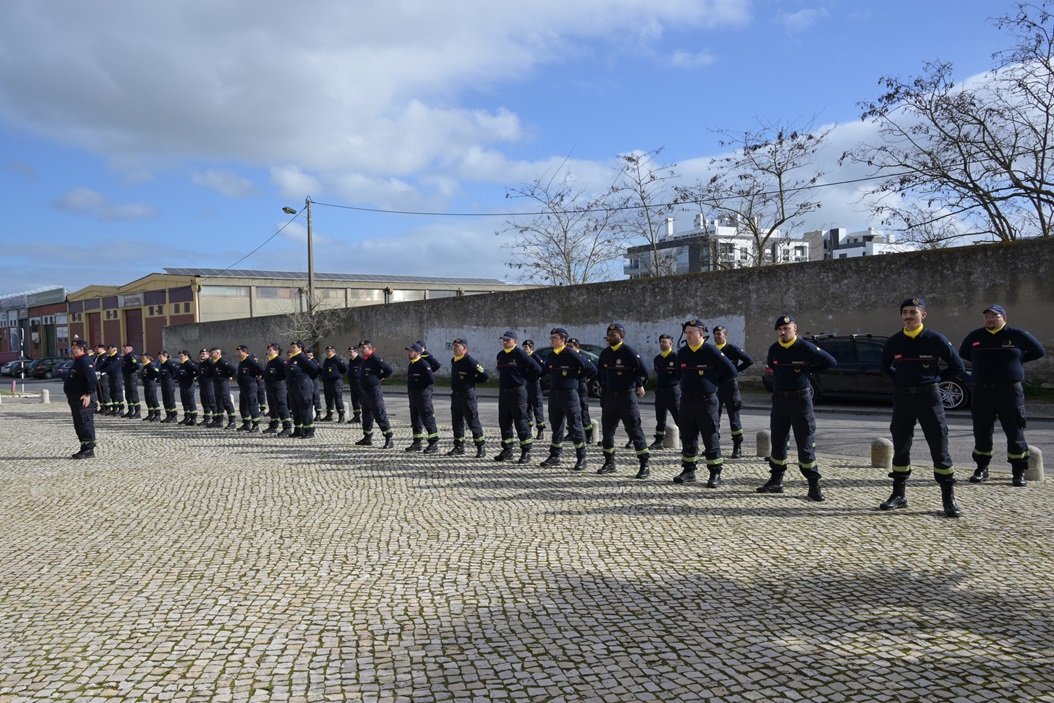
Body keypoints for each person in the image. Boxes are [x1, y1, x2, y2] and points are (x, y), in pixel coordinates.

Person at [877, 298, 967, 517]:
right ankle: (899, 495)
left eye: (913, 312)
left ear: (923, 315)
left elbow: (957, 366)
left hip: (929, 397)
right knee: (901, 445)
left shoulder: (935, 339)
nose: (909, 316)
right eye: (905, 312)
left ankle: (948, 499)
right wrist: (899, 380)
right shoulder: (895, 341)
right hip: (903, 398)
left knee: (939, 446)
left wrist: (934, 379)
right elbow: (884, 366)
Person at [959, 304, 1046, 486]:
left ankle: (1018, 471)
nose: (990, 319)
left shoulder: (1017, 335)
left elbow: (1039, 351)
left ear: (1004, 319)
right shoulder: (975, 337)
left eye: (995, 316)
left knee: (1014, 431)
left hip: (1009, 391)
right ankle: (982, 468)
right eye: (987, 317)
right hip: (982, 391)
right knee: (981, 431)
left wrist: (1018, 360)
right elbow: (964, 353)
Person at [756, 314, 837, 501]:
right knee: (778, 441)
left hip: (801, 400)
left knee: (805, 443)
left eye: (787, 328)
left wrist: (808, 370)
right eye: (780, 329)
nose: (783, 332)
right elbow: (772, 366)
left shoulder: (805, 347)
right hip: (779, 401)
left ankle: (813, 485)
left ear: (795, 328)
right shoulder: (775, 349)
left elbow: (830, 362)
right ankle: (776, 481)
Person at [671, 319, 738, 488]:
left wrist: (714, 383)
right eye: (686, 333)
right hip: (686, 401)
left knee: (710, 436)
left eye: (691, 333)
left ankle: (715, 472)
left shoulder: (710, 351)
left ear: (701, 334)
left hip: (706, 401)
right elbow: (680, 373)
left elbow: (732, 371)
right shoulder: (682, 353)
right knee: (688, 436)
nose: (687, 336)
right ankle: (688, 470)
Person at [596, 323, 650, 478]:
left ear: (622, 336)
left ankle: (644, 464)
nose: (610, 337)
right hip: (610, 398)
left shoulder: (629, 352)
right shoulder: (605, 353)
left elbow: (643, 373)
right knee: (607, 432)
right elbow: (601, 372)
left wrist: (638, 386)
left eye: (614, 335)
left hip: (627, 397)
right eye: (609, 335)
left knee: (634, 430)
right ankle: (609, 463)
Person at [539, 328, 596, 471]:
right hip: (554, 395)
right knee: (556, 427)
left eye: (554, 338)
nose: (551, 340)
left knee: (576, 426)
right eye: (551, 337)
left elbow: (591, 368)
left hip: (569, 395)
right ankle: (555, 456)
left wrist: (578, 378)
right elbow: (544, 371)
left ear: (562, 340)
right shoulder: (552, 355)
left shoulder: (570, 353)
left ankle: (581, 458)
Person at [493, 330, 541, 463]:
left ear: (515, 342)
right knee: (504, 422)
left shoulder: (520, 353)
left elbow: (537, 368)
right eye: (503, 340)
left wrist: (524, 380)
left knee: (521, 421)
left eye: (508, 340)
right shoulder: (500, 355)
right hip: (504, 392)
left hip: (518, 392)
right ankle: (507, 450)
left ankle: (526, 451)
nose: (505, 342)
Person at [712, 325, 753, 458]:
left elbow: (749, 361)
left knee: (734, 419)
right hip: (716, 387)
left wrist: (736, 371)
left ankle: (737, 447)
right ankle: (714, 446)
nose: (717, 336)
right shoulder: (711, 350)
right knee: (713, 418)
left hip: (730, 387)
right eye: (715, 334)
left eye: (719, 334)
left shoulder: (733, 349)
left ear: (725, 335)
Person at [447, 336, 489, 457]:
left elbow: (484, 375)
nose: (455, 349)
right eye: (454, 346)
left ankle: (480, 446)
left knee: (472, 421)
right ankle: (459, 446)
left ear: (465, 348)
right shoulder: (454, 360)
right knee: (457, 422)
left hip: (467, 395)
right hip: (455, 395)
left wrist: (473, 382)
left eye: (457, 347)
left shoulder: (470, 361)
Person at [354, 339, 395, 448]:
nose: (362, 350)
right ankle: (367, 437)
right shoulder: (364, 360)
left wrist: (380, 377)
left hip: (374, 392)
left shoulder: (375, 359)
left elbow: (389, 370)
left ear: (370, 348)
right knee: (366, 416)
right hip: (365, 393)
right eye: (360, 348)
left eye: (364, 348)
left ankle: (389, 437)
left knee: (380, 415)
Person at [404, 342, 440, 453]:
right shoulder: (412, 364)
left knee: (427, 418)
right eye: (409, 351)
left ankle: (433, 442)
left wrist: (421, 387)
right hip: (413, 395)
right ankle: (417, 442)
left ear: (418, 353)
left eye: (411, 351)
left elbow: (431, 380)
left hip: (423, 395)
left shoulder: (424, 364)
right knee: (415, 419)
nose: (409, 354)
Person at [65, 339, 98, 459]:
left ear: (81, 349)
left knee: (85, 422)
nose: (72, 349)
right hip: (75, 397)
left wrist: (88, 394)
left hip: (83, 397)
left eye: (75, 348)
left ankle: (89, 449)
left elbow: (92, 379)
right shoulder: (77, 361)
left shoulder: (85, 360)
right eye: (72, 347)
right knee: (79, 424)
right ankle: (84, 447)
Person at [651, 333, 681, 450]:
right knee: (660, 417)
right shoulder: (657, 359)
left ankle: (687, 442)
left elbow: (681, 374)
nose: (662, 344)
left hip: (672, 392)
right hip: (660, 392)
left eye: (665, 342)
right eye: (661, 342)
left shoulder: (676, 358)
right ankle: (659, 440)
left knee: (678, 417)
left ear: (671, 344)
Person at [286, 340, 320, 438]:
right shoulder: (293, 358)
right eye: (291, 347)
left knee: (305, 409)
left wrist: (306, 378)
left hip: (302, 386)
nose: (292, 349)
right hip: (293, 386)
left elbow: (314, 368)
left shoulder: (302, 357)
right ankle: (298, 430)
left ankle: (309, 431)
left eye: (294, 347)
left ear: (300, 348)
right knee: (295, 409)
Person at [568, 338, 597, 445]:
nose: (569, 348)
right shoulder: (568, 357)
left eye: (571, 346)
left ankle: (588, 433)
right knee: (571, 409)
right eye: (568, 346)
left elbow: (592, 369)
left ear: (577, 346)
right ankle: (571, 433)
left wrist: (585, 377)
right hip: (572, 386)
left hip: (581, 385)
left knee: (583, 409)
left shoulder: (582, 357)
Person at [263, 342, 293, 436]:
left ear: (277, 351)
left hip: (278, 386)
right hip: (270, 386)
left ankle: (287, 427)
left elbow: (288, 370)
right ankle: (273, 426)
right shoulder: (271, 361)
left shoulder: (279, 360)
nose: (268, 351)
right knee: (272, 407)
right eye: (268, 350)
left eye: (270, 350)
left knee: (281, 406)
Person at [235, 345, 266, 432]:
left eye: (239, 352)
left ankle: (256, 425)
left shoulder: (250, 361)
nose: (237, 354)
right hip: (243, 387)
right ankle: (246, 423)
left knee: (252, 405)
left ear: (245, 352)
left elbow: (262, 370)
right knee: (243, 407)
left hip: (250, 386)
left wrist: (260, 376)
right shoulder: (242, 361)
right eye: (237, 352)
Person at [522, 339, 546, 440]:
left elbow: (543, 369)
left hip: (534, 384)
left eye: (526, 348)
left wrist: (537, 377)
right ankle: (528, 427)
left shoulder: (535, 357)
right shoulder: (523, 357)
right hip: (525, 385)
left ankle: (540, 430)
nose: (524, 349)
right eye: (523, 348)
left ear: (531, 348)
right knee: (526, 407)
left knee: (537, 406)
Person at [210, 348, 238, 429]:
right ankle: (219, 421)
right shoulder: (215, 363)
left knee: (226, 402)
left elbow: (232, 369)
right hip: (217, 384)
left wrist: (228, 376)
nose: (211, 355)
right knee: (219, 403)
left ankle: (232, 422)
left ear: (218, 353)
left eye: (213, 353)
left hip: (223, 384)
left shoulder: (222, 362)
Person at [320, 345, 349, 422]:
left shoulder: (336, 359)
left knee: (337, 398)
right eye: (327, 351)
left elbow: (345, 368)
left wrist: (338, 375)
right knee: (328, 399)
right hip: (327, 382)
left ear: (333, 351)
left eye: (329, 351)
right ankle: (329, 415)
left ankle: (341, 415)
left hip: (336, 382)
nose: (327, 352)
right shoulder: (327, 360)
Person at [175, 350, 199, 425]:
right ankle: (187, 417)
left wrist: (193, 377)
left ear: (187, 355)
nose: (180, 357)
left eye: (181, 355)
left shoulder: (189, 363)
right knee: (184, 402)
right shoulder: (183, 364)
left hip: (189, 385)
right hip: (182, 385)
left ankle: (193, 419)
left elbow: (197, 370)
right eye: (179, 356)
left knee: (190, 401)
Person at [157, 350, 180, 423]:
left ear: (165, 356)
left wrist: (174, 378)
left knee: (170, 399)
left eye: (161, 356)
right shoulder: (162, 364)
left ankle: (174, 416)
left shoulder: (169, 363)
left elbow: (176, 370)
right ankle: (168, 415)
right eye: (159, 356)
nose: (160, 358)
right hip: (163, 383)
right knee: (165, 399)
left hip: (169, 382)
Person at [121, 343, 143, 418]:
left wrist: (130, 370)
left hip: (132, 377)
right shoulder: (125, 356)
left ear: (130, 349)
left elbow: (137, 366)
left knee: (133, 394)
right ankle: (130, 410)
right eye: (124, 348)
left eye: (126, 348)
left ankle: (137, 411)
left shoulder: (131, 356)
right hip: (127, 377)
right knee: (128, 394)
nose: (124, 349)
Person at [197, 348, 217, 426]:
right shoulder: (201, 363)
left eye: (204, 354)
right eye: (201, 354)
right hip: (202, 384)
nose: (202, 355)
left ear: (208, 355)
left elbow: (215, 370)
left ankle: (216, 419)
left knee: (211, 401)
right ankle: (206, 418)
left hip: (209, 384)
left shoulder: (210, 362)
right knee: (204, 401)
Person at [104, 344, 124, 416]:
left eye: (110, 349)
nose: (108, 351)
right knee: (112, 392)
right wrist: (98, 370)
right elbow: (104, 365)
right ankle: (115, 408)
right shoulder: (109, 357)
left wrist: (103, 371)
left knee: (118, 392)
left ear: (114, 349)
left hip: (117, 376)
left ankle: (121, 409)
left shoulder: (118, 357)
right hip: (111, 376)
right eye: (108, 350)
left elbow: (112, 366)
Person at [140, 352, 161, 422]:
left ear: (148, 358)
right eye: (142, 358)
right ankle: (151, 414)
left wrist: (155, 378)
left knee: (153, 399)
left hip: (151, 384)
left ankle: (157, 415)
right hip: (146, 385)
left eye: (143, 358)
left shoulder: (151, 365)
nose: (142, 359)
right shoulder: (145, 366)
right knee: (148, 400)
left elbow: (158, 373)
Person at [345, 345, 363, 424]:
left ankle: (368, 416)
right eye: (349, 352)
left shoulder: (360, 359)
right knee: (354, 401)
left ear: (356, 352)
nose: (349, 353)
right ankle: (356, 416)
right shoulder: (351, 361)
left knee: (363, 400)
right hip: (352, 383)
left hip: (359, 383)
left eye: (351, 352)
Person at [306, 351, 324, 418]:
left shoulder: (314, 361)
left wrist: (316, 375)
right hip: (308, 380)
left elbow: (320, 369)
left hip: (314, 380)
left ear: (311, 355)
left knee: (315, 396)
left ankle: (318, 414)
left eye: (308, 356)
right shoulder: (307, 362)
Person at [93, 343, 110, 414]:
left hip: (102, 375)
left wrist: (97, 370)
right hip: (97, 375)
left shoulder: (104, 356)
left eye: (98, 348)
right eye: (96, 349)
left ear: (103, 349)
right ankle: (102, 407)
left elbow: (100, 366)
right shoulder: (98, 356)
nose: (97, 350)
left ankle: (107, 407)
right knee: (99, 392)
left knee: (104, 391)